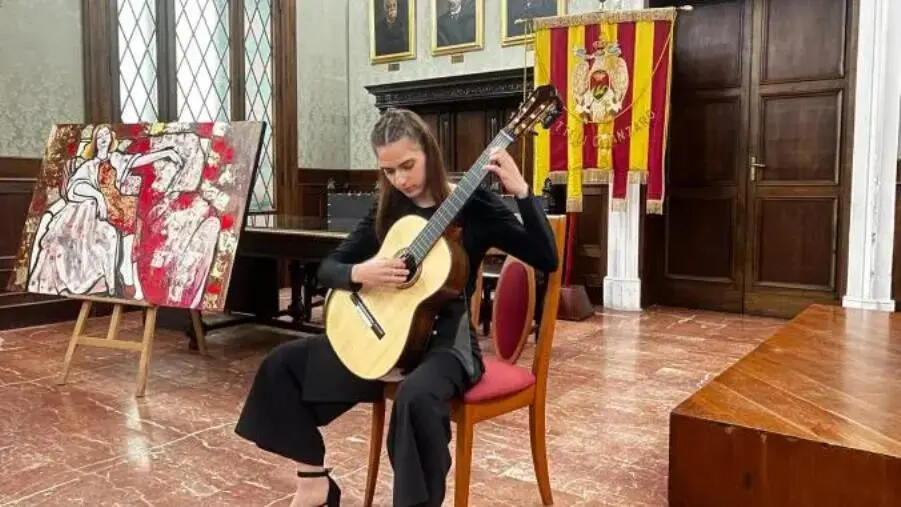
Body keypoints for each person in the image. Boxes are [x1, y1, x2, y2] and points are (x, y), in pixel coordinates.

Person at [234, 108, 559, 507]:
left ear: (429, 151)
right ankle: (314, 483)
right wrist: (362, 271)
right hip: (387, 337)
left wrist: (523, 194)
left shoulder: (473, 204)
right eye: (389, 171)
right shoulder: (387, 206)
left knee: (417, 398)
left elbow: (547, 258)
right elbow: (329, 268)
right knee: (282, 366)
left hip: (446, 345)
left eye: (407, 165)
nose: (400, 179)